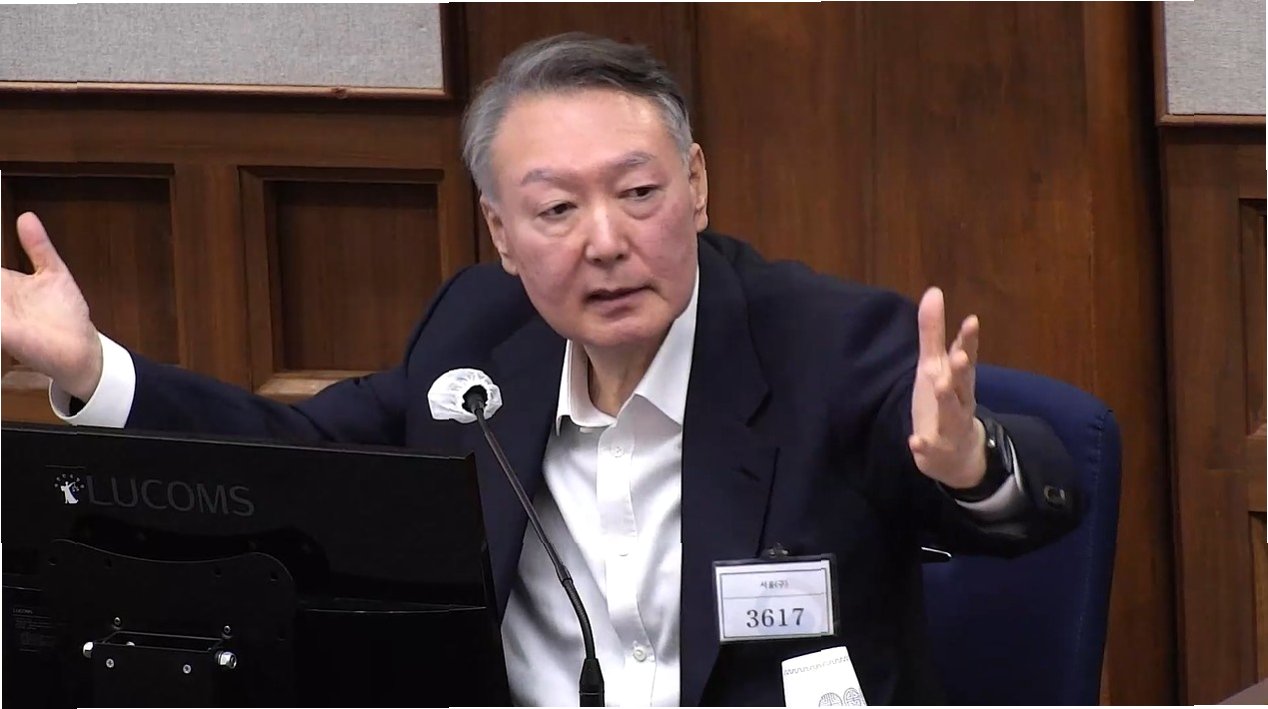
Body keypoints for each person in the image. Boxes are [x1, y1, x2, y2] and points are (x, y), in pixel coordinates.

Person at [0, 33, 1082, 706]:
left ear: (697, 187)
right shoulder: (477, 341)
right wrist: (93, 368)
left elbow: (1040, 493)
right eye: (557, 208)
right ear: (502, 233)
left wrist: (969, 462)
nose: (606, 241)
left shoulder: (826, 343)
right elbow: (296, 453)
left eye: (640, 193)